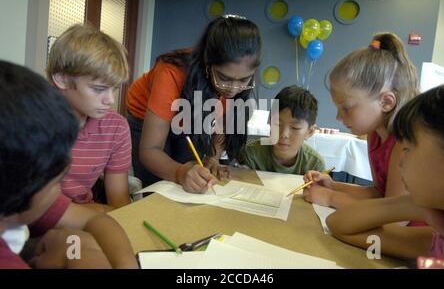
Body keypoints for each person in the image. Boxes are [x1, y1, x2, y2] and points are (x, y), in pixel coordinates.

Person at [0, 60, 137, 268]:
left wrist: (76, 248)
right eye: (57, 182)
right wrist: (78, 254)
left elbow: (95, 221)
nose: (59, 192)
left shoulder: (18, 196)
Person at [126, 15, 262, 193]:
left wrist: (213, 158)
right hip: (145, 116)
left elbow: (222, 121)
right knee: (158, 186)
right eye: (224, 78)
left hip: (191, 114)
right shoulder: (171, 73)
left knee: (195, 176)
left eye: (244, 80)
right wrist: (180, 172)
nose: (233, 89)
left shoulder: (236, 79)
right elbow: (150, 150)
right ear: (207, 65)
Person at [326, 84, 444, 261]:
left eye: (407, 148)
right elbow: (337, 223)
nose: (399, 162)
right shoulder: (442, 242)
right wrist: (417, 206)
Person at [302, 33, 419, 209]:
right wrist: (332, 185)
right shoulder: (374, 135)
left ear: (386, 102)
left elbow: (394, 217)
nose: (338, 117)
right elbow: (379, 194)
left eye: (346, 108)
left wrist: (331, 198)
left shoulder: (404, 144)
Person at [47, 24, 132, 212]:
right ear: (62, 79)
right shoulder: (30, 123)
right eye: (99, 89)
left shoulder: (116, 127)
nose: (110, 100)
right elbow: (28, 208)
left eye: (114, 89)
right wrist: (97, 213)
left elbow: (119, 203)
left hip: (86, 215)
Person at [240, 85, 325, 174]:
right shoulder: (251, 153)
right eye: (277, 124)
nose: (284, 134)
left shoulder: (314, 165)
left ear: (310, 131)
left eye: (295, 128)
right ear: (269, 122)